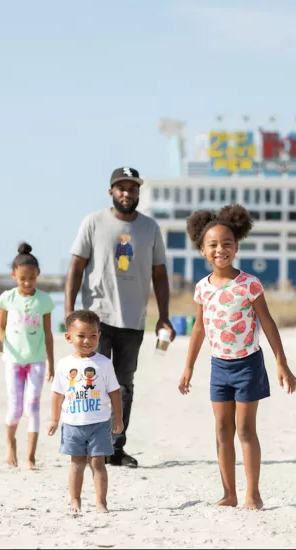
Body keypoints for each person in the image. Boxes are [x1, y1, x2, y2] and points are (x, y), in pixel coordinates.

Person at [178, 204, 296, 510]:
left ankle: (252, 494)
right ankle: (229, 493)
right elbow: (199, 330)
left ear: (237, 247)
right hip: (219, 366)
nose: (221, 249)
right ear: (202, 250)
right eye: (213, 245)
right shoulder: (202, 289)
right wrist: (188, 367)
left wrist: (281, 362)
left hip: (248, 365)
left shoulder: (249, 284)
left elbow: (267, 323)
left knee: (245, 430)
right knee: (222, 430)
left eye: (227, 244)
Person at [64, 166, 175, 468]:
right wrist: (69, 312)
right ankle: (91, 444)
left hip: (133, 320)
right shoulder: (94, 222)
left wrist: (164, 317)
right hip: (96, 319)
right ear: (111, 191)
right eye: (121, 188)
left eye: (133, 188)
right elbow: (76, 267)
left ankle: (115, 447)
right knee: (93, 381)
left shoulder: (150, 228)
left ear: (139, 193)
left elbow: (160, 275)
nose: (127, 193)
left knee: (123, 384)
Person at [48, 310, 123, 514]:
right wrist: (54, 420)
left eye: (92, 335)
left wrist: (118, 418)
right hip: (73, 424)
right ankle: (75, 500)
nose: (87, 340)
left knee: (98, 463)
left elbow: (115, 393)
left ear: (99, 335)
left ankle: (101, 502)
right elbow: (57, 394)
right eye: (81, 336)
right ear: (69, 337)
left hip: (99, 423)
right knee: (77, 464)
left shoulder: (104, 363)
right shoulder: (64, 364)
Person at [0, 242, 55, 470]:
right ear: (13, 276)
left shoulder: (44, 301)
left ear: (38, 274)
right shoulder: (7, 299)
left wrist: (52, 364)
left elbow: (48, 334)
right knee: (15, 407)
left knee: (33, 406)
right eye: (22, 279)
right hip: (13, 360)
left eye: (31, 278)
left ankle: (30, 457)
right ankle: (11, 444)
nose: (27, 283)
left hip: (37, 360)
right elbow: (0, 326)